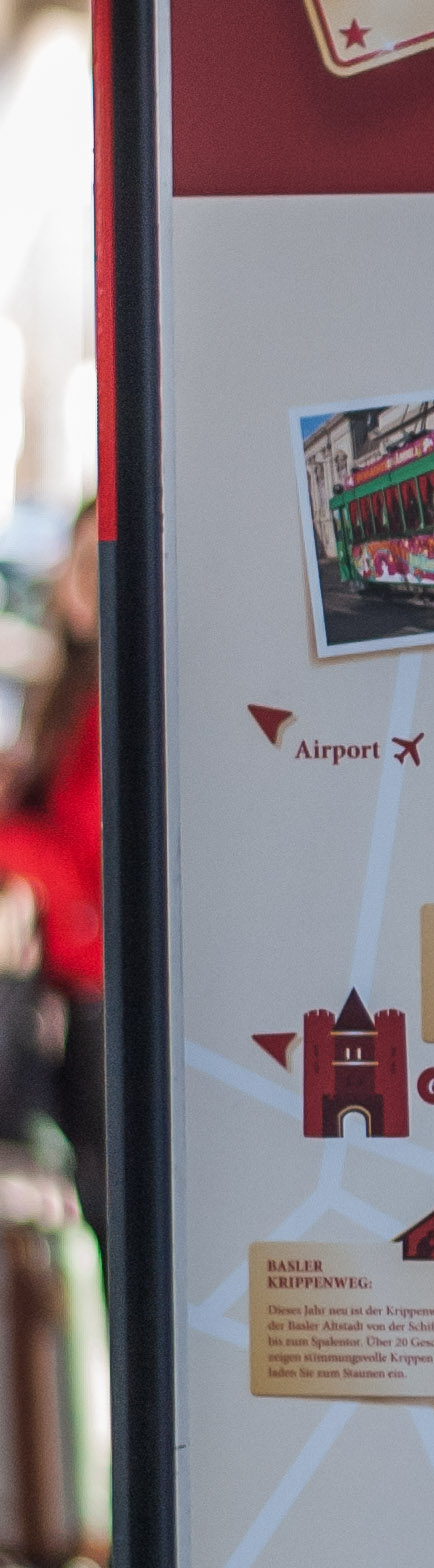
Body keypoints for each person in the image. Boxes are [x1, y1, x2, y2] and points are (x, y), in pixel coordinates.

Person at [0, 506, 103, 1235]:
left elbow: (89, 869)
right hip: (68, 1001)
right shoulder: (68, 693)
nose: (85, 579)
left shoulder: (116, 704)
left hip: (96, 1001)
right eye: (81, 559)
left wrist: (14, 844)